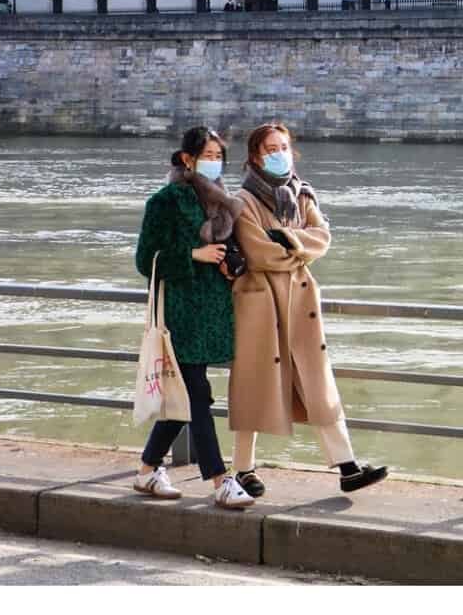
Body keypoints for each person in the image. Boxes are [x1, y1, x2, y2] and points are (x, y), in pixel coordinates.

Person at [226, 122, 388, 497]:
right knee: (255, 384)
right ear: (255, 156)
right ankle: (243, 470)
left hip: (300, 303)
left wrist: (285, 240)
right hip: (260, 304)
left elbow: (323, 238)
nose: (279, 153)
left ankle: (347, 466)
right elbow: (258, 252)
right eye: (270, 148)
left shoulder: (303, 195)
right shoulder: (242, 201)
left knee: (319, 383)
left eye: (283, 146)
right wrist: (298, 246)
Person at [132, 125, 255, 510]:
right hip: (181, 314)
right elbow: (144, 260)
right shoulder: (165, 201)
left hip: (214, 311)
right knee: (197, 393)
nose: (214, 163)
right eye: (208, 156)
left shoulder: (222, 203)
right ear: (187, 159)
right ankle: (221, 480)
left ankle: (147, 469)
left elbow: (230, 251)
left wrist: (230, 265)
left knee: (188, 394)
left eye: (220, 157)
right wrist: (192, 255)